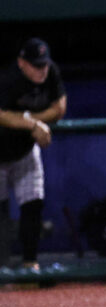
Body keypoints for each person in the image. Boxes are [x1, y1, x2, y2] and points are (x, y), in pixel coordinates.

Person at [0, 38, 66, 273]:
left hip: (25, 150)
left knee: (33, 205)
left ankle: (30, 266)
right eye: (36, 65)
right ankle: (2, 267)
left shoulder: (51, 72)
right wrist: (33, 124)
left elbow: (60, 108)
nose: (42, 70)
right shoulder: (9, 78)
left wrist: (32, 122)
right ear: (22, 63)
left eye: (44, 64)